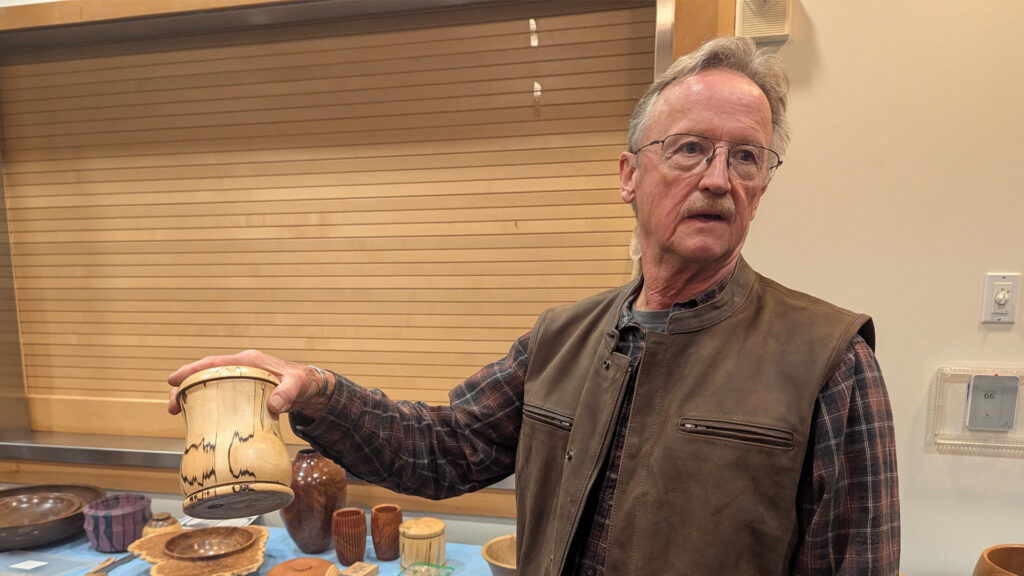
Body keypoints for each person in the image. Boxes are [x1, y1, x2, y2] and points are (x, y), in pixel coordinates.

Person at [168, 36, 900, 575]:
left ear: (764, 184)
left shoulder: (831, 365)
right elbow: (441, 449)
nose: (719, 179)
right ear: (628, 174)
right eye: (690, 150)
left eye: (747, 156)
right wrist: (318, 392)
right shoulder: (561, 339)